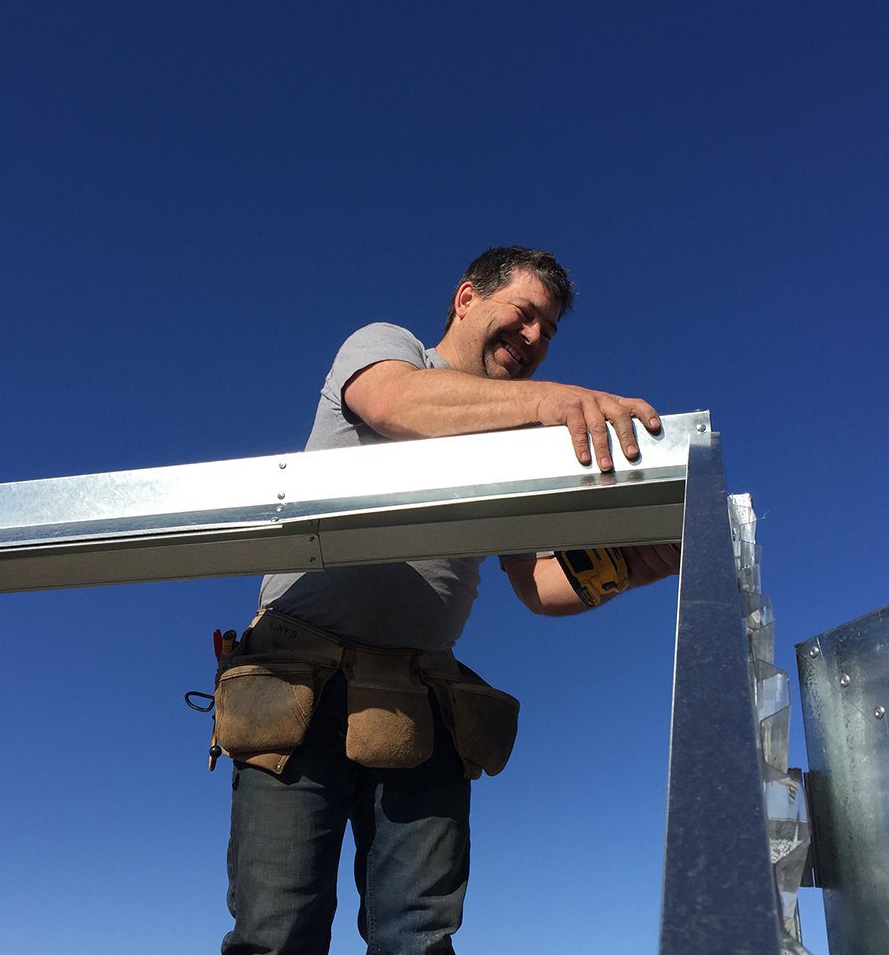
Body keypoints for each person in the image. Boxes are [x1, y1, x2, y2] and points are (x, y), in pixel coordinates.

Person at [220, 247, 679, 955]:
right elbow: (394, 403)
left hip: (420, 700)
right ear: (467, 299)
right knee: (277, 933)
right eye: (523, 315)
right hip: (297, 687)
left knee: (419, 938)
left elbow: (538, 584)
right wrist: (552, 402)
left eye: (548, 332)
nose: (533, 340)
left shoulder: (518, 444)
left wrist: (634, 567)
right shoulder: (389, 350)